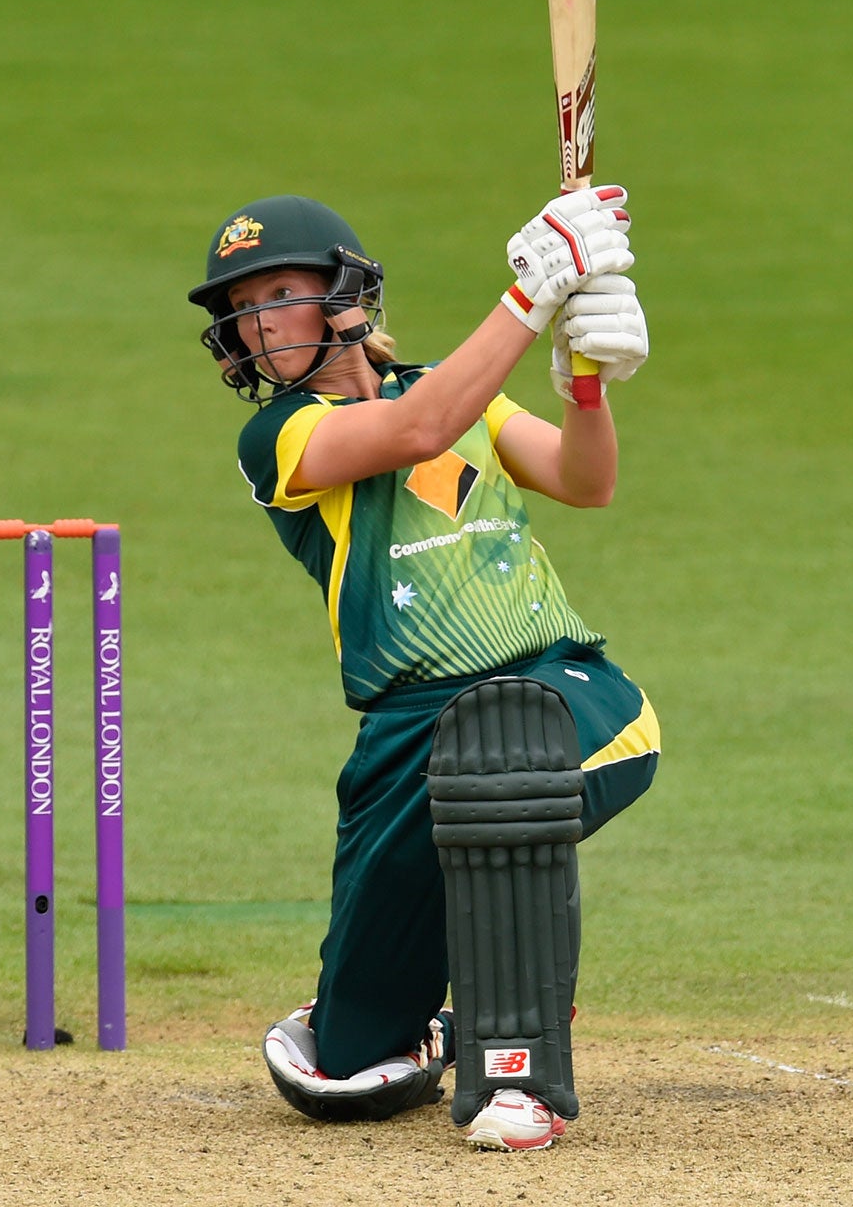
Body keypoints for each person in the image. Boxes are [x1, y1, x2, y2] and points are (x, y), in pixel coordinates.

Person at [185, 192, 661, 1150]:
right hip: (407, 733)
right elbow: (415, 432)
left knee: (505, 772)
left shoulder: (456, 383)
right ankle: (437, 1019)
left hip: (561, 686)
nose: (258, 318)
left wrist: (588, 388)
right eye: (242, 304)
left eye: (281, 290)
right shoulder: (277, 437)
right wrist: (531, 298)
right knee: (350, 1055)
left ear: (347, 292)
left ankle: (516, 1067)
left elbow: (585, 480)